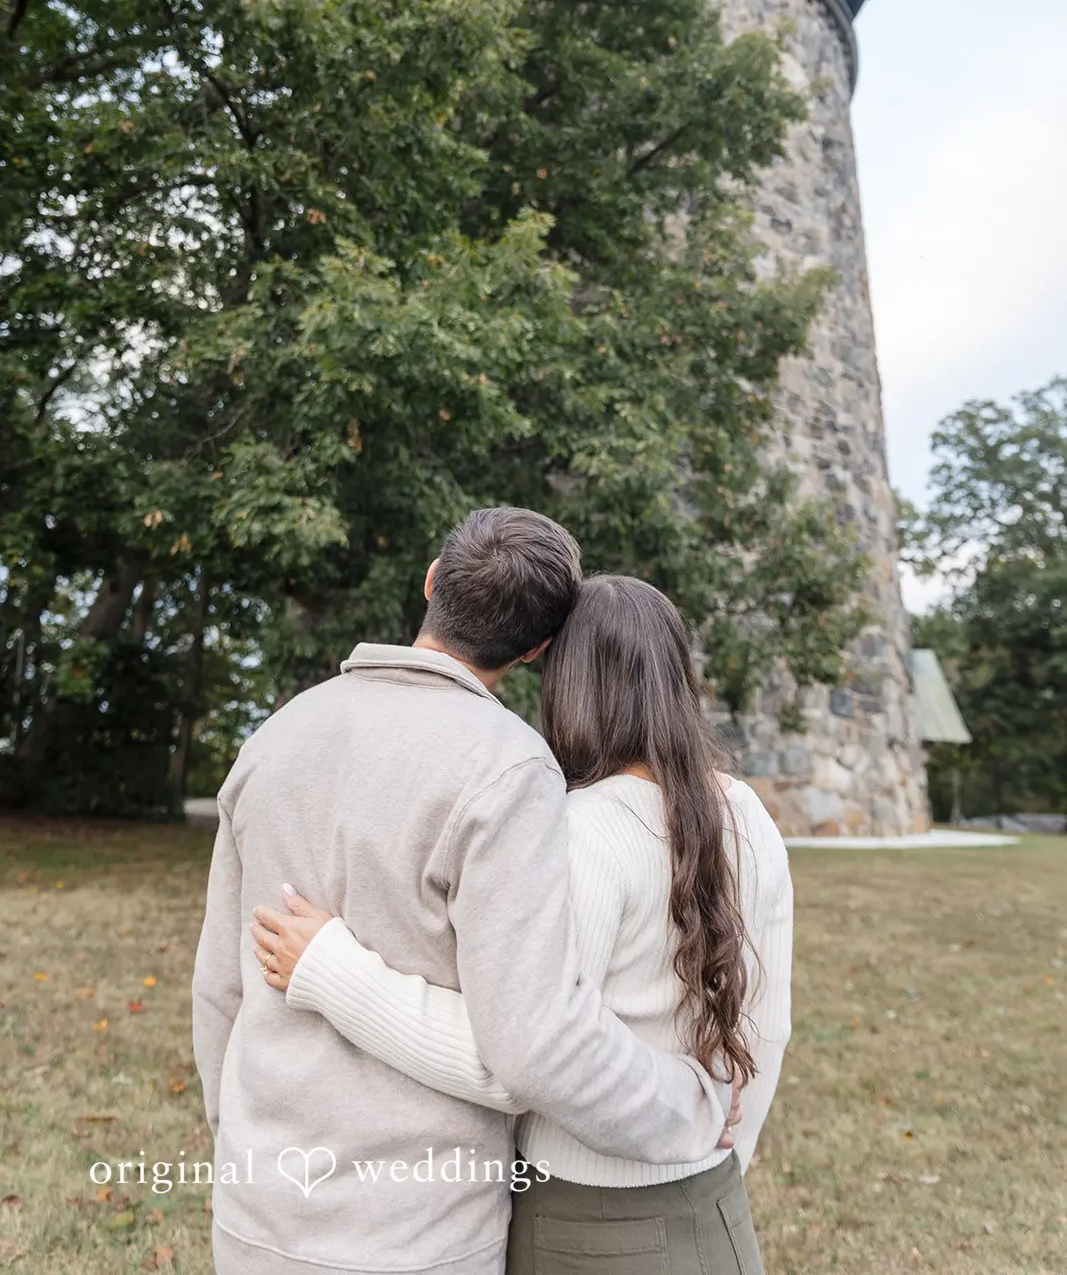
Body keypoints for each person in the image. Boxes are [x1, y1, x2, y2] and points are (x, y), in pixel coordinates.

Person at [192, 512, 732, 1275]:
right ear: (539, 647)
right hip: (417, 1233)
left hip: (258, 1215)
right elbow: (536, 1041)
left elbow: (220, 988)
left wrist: (236, 1144)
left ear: (431, 582)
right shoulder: (510, 770)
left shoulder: (276, 736)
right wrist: (688, 1109)